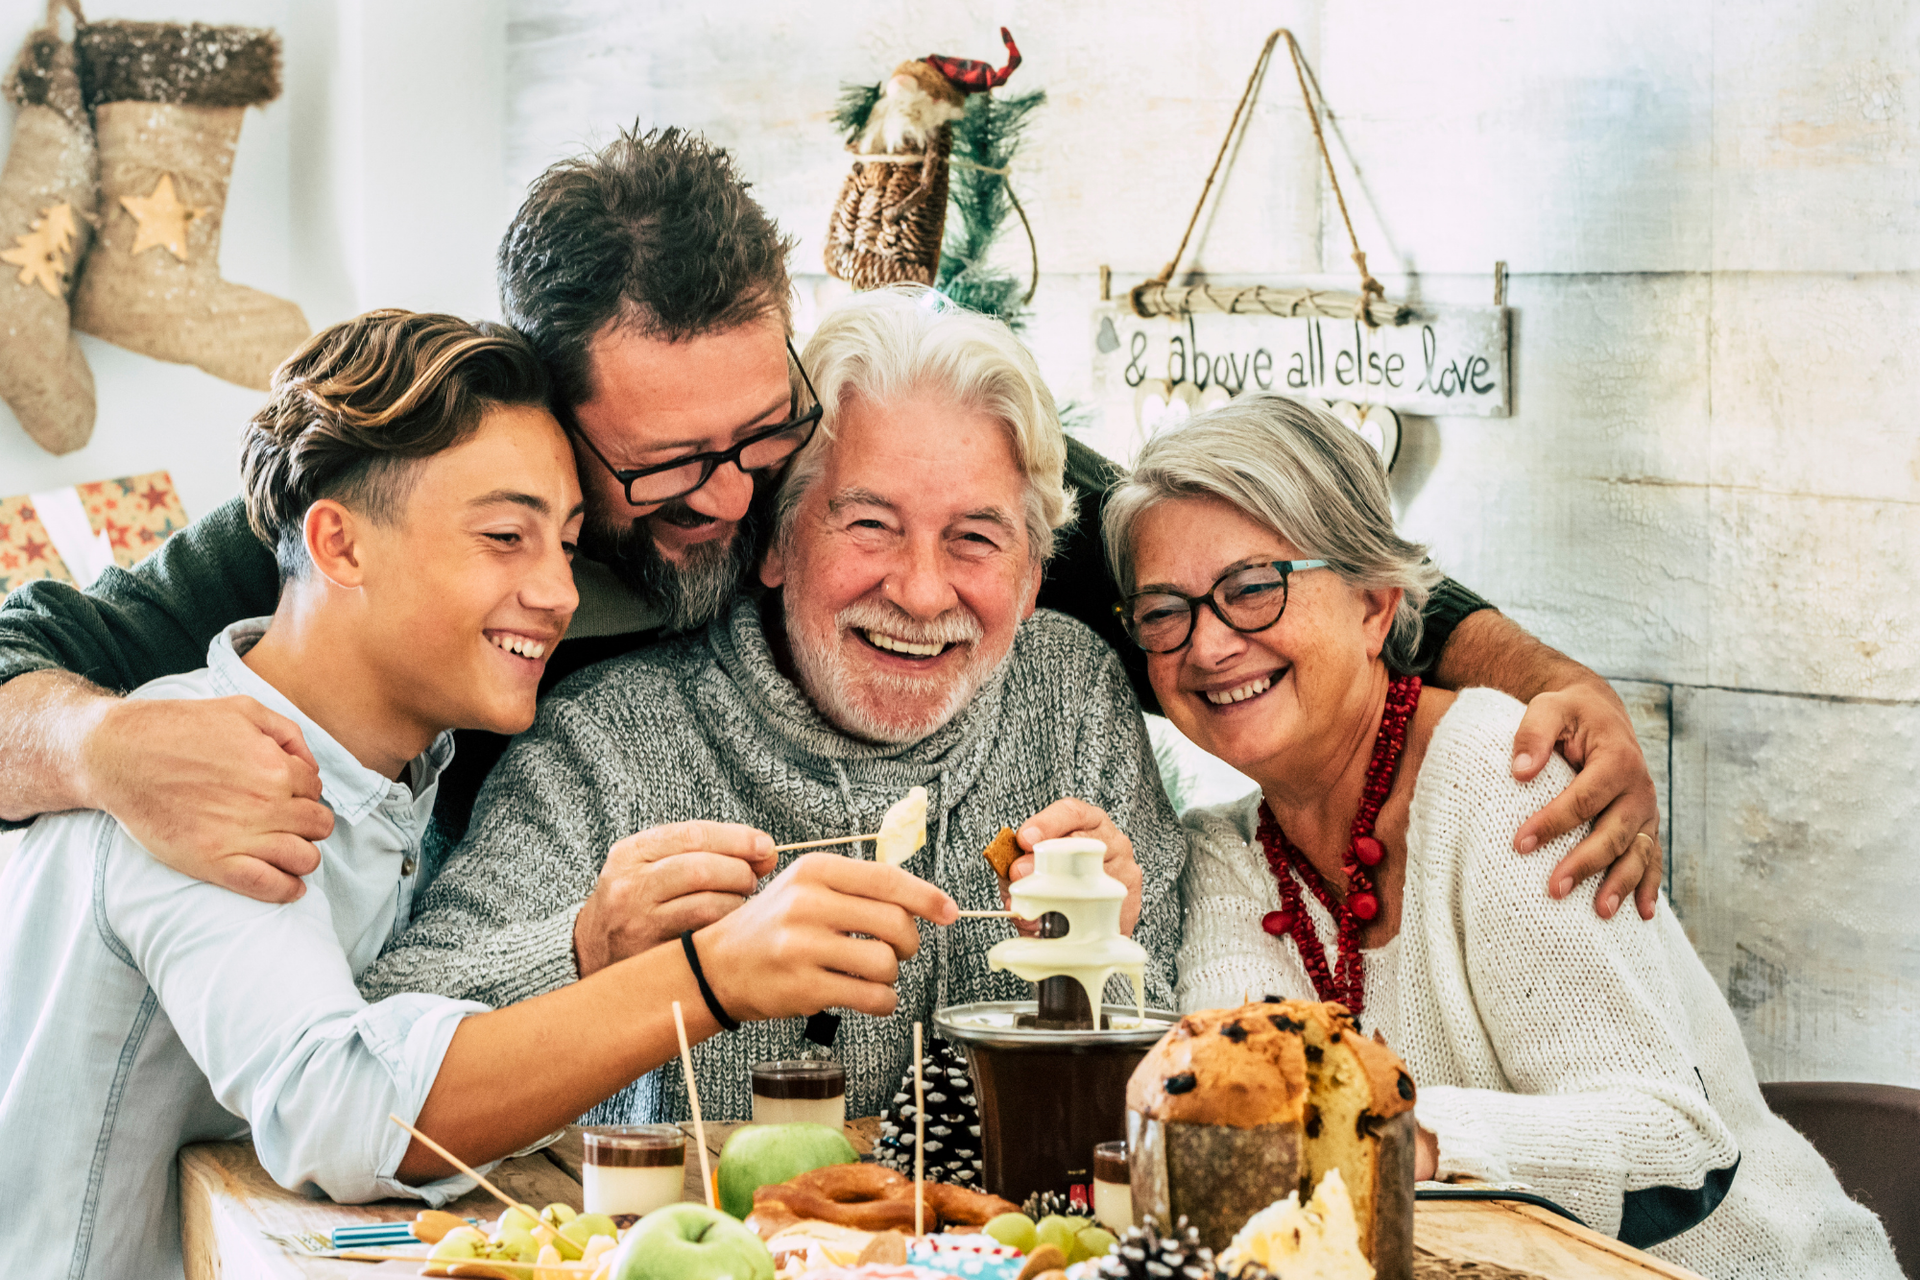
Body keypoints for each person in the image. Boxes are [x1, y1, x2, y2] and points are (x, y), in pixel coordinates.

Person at [0, 128, 1658, 963]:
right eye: (665, 468)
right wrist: (104, 744)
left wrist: (1540, 675)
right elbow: (28, 660)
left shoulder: (881, 461)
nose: (733, 498)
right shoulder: (425, 478)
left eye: (763, 435)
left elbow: (1236, 549)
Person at [0, 311, 955, 1280]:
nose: (559, 592)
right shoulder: (208, 772)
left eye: (568, 542)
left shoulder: (416, 771)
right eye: (505, 535)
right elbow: (337, 1106)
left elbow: (400, 1031)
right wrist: (711, 975)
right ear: (339, 544)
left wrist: (594, 947)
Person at [1102, 394, 1899, 1279]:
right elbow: (1253, 1130)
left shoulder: (1505, 770)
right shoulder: (1227, 856)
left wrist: (1397, 1134)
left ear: (1375, 605)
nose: (1208, 645)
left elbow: (1673, 1145)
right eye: (1164, 611)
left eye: (1254, 588)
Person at [357, 285, 1182, 1123]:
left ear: (1034, 572)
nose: (925, 593)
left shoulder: (1071, 695)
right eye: (870, 524)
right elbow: (384, 1047)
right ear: (778, 542)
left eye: (975, 537)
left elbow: (1182, 1060)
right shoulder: (605, 742)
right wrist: (587, 946)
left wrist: (1105, 956)